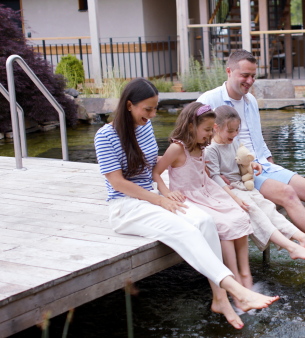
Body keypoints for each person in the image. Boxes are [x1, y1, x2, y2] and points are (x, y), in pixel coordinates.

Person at [94, 78, 278, 330]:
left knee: (205, 221)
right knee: (186, 230)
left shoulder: (145, 127)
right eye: (147, 109)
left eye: (155, 108)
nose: (152, 114)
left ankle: (219, 298)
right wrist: (160, 198)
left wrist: (165, 189)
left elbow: (154, 165)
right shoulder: (105, 136)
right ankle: (235, 290)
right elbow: (117, 182)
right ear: (128, 105)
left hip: (151, 199)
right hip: (126, 206)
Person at [198, 50, 305, 269]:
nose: (250, 81)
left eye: (253, 75)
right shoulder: (208, 100)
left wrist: (271, 164)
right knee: (288, 194)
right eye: (245, 75)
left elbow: (257, 140)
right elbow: (194, 141)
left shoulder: (250, 100)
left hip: (262, 165)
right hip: (238, 173)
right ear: (229, 71)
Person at [152, 102, 256, 297]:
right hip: (189, 196)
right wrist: (165, 193)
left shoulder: (201, 146)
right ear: (191, 126)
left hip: (206, 191)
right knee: (223, 225)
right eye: (207, 129)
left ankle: (245, 272)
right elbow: (157, 172)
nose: (210, 134)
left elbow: (202, 172)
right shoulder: (177, 148)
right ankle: (232, 277)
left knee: (239, 215)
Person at [205, 105, 305, 260]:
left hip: (243, 187)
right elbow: (215, 177)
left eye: (237, 130)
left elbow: (241, 161)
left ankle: (301, 236)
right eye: (230, 131)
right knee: (255, 212)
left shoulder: (233, 143)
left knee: (268, 208)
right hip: (229, 191)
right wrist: (235, 198)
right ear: (216, 127)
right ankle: (292, 247)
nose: (234, 134)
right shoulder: (211, 149)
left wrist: (252, 164)